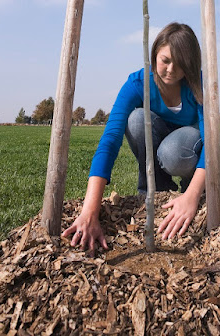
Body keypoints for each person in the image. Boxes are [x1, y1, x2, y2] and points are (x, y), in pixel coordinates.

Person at [62, 22, 206, 256]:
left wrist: (192, 196)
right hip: (158, 137)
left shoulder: (197, 83)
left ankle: (193, 186)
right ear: (154, 54)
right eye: (165, 60)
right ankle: (159, 191)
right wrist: (90, 209)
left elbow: (211, 142)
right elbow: (110, 139)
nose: (171, 70)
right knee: (136, 120)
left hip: (187, 144)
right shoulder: (138, 84)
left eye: (180, 64)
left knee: (172, 152)